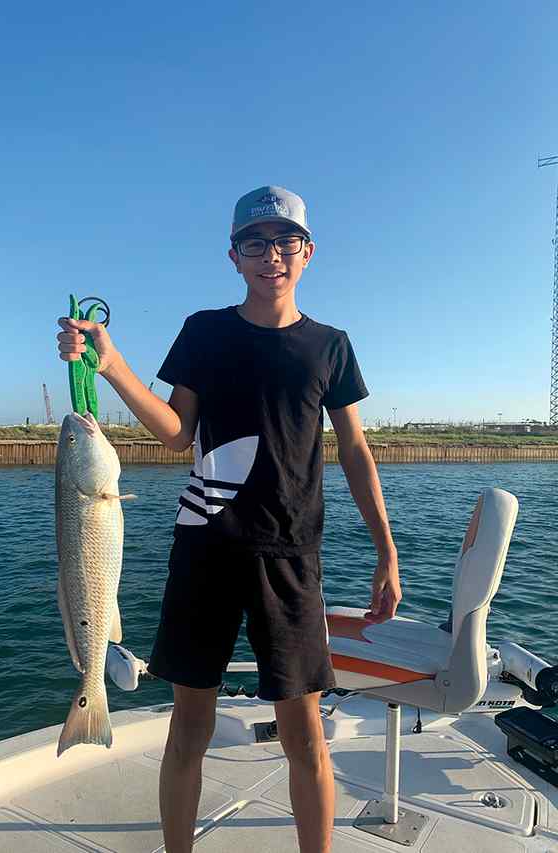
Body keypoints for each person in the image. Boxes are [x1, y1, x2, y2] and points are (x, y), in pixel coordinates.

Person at [57, 185, 401, 853]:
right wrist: (112, 364)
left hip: (291, 556)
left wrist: (386, 550)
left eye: (284, 241)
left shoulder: (330, 346)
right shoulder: (205, 331)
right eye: (255, 242)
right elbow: (176, 432)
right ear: (234, 257)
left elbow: (355, 450)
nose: (271, 254)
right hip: (204, 551)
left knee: (305, 734)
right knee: (189, 726)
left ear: (308, 252)